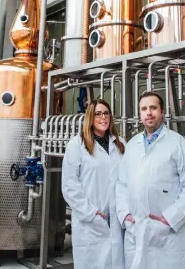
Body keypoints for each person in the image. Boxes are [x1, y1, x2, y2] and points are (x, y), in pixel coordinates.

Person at [116, 91, 185, 269]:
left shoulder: (178, 143)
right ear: (140, 115)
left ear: (162, 112)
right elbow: (122, 184)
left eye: (153, 108)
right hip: (136, 229)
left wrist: (170, 219)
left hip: (167, 233)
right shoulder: (132, 145)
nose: (149, 113)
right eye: (144, 109)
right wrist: (125, 215)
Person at [62, 98, 125, 269]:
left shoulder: (120, 144)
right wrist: (91, 213)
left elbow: (127, 181)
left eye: (106, 113)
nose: (103, 117)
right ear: (90, 117)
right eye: (98, 114)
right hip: (90, 221)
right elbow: (69, 186)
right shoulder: (77, 145)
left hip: (117, 219)